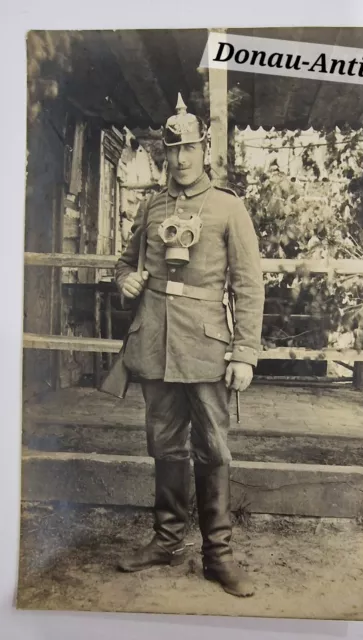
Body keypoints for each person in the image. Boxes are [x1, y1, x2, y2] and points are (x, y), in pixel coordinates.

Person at [114, 93, 265, 597]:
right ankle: (165, 540)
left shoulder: (228, 207)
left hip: (205, 346)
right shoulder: (153, 205)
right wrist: (126, 282)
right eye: (171, 151)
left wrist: (245, 352)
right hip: (155, 340)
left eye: (189, 149)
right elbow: (126, 263)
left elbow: (248, 285)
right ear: (164, 154)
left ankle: (217, 554)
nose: (180, 159)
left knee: (214, 448)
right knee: (164, 444)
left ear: (204, 150)